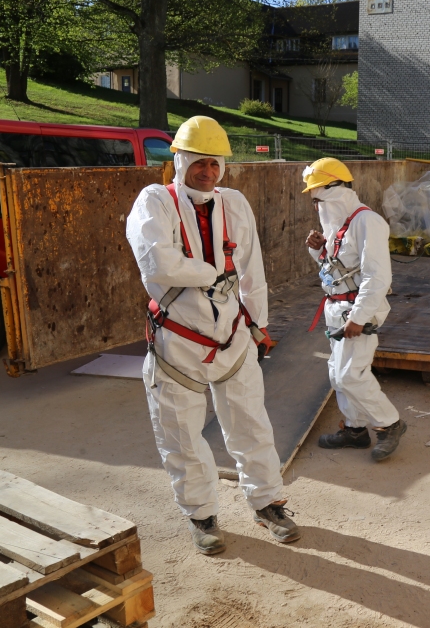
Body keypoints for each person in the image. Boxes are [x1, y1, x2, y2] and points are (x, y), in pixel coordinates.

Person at [126, 115, 299, 555]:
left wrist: (259, 325)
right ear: (179, 160)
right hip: (178, 342)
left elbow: (252, 268)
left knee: (250, 422)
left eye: (215, 164)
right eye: (198, 162)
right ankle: (201, 514)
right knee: (181, 434)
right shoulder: (155, 202)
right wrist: (211, 271)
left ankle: (267, 502)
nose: (206, 171)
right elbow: (158, 263)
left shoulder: (233, 204)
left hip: (234, 335)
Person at [303, 158, 407, 461]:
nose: (315, 207)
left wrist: (359, 318)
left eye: (317, 200)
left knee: (351, 375)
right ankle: (354, 430)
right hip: (337, 309)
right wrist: (319, 249)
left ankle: (390, 424)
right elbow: (334, 271)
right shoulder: (338, 228)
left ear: (335, 192)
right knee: (337, 373)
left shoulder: (367, 222)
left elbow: (378, 277)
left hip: (356, 312)